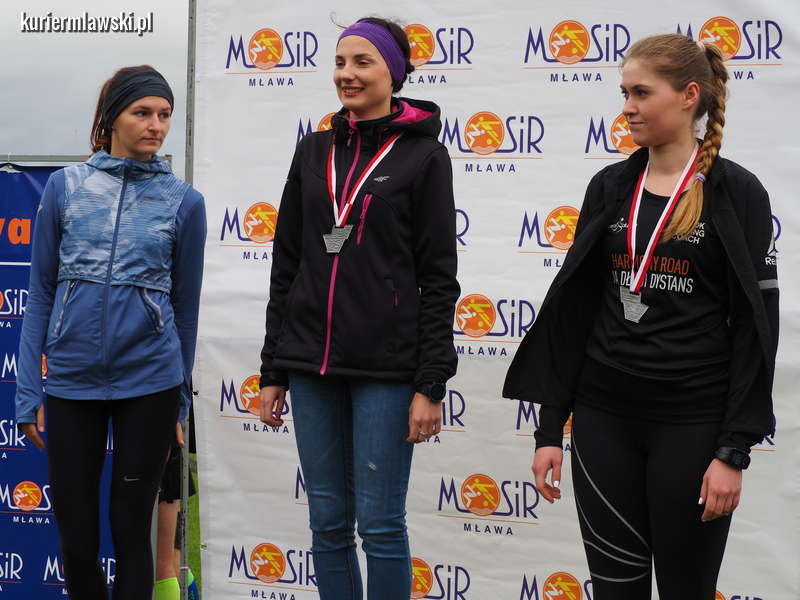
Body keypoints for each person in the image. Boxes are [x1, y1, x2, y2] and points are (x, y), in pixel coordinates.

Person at [504, 34, 777, 599]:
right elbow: (574, 312)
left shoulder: (738, 192)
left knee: (686, 590)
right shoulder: (610, 186)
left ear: (689, 96)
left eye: (641, 93)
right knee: (615, 591)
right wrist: (550, 430)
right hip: (603, 422)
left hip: (692, 427)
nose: (627, 107)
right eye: (624, 93)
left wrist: (733, 450)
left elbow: (756, 329)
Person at [257, 17, 459, 600]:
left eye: (362, 62)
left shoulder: (424, 156)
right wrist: (274, 369)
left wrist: (431, 383)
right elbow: (287, 263)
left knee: (380, 525)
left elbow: (438, 278)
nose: (347, 74)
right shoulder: (313, 149)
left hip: (386, 370)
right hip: (310, 364)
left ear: (393, 73)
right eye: (341, 61)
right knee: (326, 522)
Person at [14, 65, 206, 599]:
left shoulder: (184, 202)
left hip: (150, 384)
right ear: (112, 118)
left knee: (131, 535)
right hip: (71, 382)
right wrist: (28, 391)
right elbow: (40, 294)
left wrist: (179, 403)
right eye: (142, 112)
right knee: (77, 542)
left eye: (164, 114)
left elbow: (185, 312)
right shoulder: (66, 187)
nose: (156, 125)